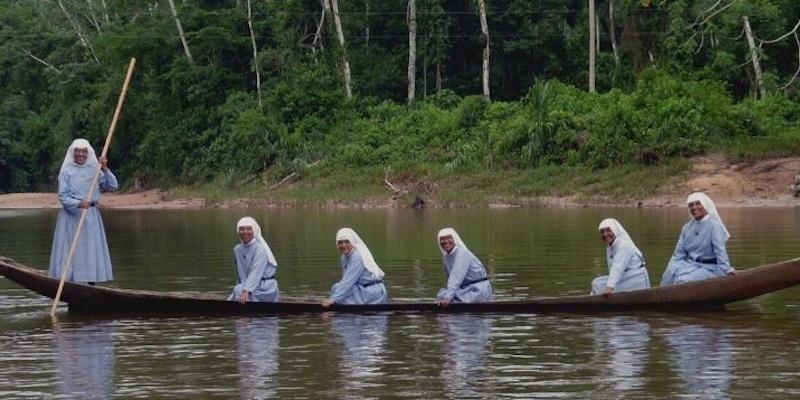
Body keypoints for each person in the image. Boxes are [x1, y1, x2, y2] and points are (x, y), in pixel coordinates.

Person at [49, 138, 118, 283]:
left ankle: (91, 282)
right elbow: (63, 196)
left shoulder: (95, 170)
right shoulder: (66, 172)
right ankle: (70, 281)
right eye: (77, 152)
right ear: (73, 153)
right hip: (71, 217)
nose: (80, 154)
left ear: (88, 153)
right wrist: (79, 204)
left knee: (90, 250)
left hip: (91, 217)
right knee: (71, 251)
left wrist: (105, 168)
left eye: (83, 152)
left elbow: (112, 186)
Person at [661, 192, 736, 286]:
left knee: (683, 281)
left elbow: (720, 252)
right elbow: (678, 255)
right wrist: (671, 269)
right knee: (668, 276)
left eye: (698, 204)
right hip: (690, 266)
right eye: (691, 205)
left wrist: (727, 269)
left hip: (710, 268)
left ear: (705, 205)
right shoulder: (687, 228)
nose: (694, 207)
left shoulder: (714, 226)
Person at [321, 228, 388, 307]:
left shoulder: (357, 256)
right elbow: (346, 280)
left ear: (352, 242)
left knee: (339, 293)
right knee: (337, 287)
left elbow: (348, 281)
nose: (343, 245)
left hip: (373, 293)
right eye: (340, 242)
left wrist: (333, 299)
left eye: (346, 242)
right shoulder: (344, 257)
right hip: (363, 289)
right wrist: (335, 297)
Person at [590, 218, 651, 297]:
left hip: (636, 278)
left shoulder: (624, 245)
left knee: (597, 284)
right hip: (625, 278)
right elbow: (612, 269)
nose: (605, 234)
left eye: (608, 230)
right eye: (602, 232)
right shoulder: (610, 247)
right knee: (597, 283)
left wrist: (609, 287)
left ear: (615, 230)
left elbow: (617, 267)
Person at [435, 228, 493, 307]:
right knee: (441, 295)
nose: (445, 241)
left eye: (449, 238)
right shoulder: (446, 257)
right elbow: (450, 279)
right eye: (442, 239)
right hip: (465, 289)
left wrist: (448, 297)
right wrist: (446, 296)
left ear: (454, 239)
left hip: (477, 289)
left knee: (447, 297)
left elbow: (456, 277)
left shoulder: (462, 253)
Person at [228, 217, 280, 304]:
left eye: (248, 229)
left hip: (265, 287)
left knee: (239, 291)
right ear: (238, 231)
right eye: (241, 229)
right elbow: (241, 274)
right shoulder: (237, 249)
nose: (245, 232)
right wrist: (242, 287)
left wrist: (246, 291)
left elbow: (256, 272)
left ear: (254, 231)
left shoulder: (260, 249)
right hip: (249, 285)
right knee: (237, 290)